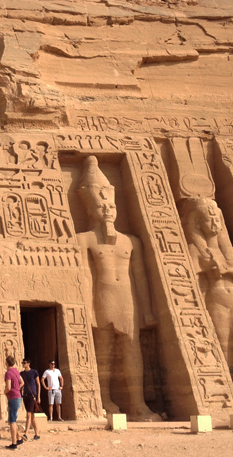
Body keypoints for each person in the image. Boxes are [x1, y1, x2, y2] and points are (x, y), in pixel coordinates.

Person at [76, 156, 161, 421]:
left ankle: (137, 404)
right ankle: (104, 399)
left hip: (128, 299)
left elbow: (140, 280)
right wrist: (87, 309)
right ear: (91, 210)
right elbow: (84, 277)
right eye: (102, 206)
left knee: (132, 349)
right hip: (102, 298)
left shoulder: (130, 241)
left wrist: (146, 310)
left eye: (111, 205)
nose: (108, 210)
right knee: (103, 352)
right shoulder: (85, 239)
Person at [182, 198, 233, 413]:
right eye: (209, 219)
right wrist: (205, 268)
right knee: (222, 349)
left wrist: (228, 271)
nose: (215, 223)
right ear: (198, 224)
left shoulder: (232, 253)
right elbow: (186, 278)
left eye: (218, 218)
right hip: (214, 301)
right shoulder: (195, 250)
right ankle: (229, 401)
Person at [4, 355, 24, 450]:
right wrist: (17, 389)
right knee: (14, 420)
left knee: (12, 422)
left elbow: (8, 387)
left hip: (13, 398)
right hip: (18, 396)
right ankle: (19, 439)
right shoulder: (16, 371)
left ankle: (14, 443)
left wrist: (5, 392)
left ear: (6, 363)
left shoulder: (8, 373)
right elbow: (22, 382)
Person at [20, 359, 41, 440]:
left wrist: (38, 396)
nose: (23, 364)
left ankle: (26, 433)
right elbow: (21, 384)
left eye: (24, 363)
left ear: (28, 363)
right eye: (22, 363)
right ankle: (37, 434)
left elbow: (38, 384)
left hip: (32, 395)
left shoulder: (34, 372)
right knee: (32, 415)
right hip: (25, 395)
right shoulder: (21, 373)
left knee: (28, 414)